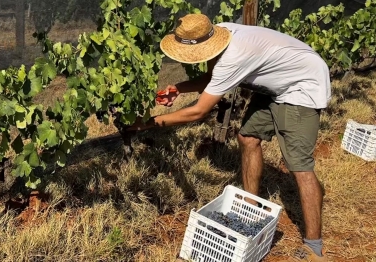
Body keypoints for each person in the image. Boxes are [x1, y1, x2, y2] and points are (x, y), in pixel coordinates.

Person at [126, 13, 332, 261]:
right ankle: (251, 209)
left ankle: (314, 246)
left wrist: (150, 123)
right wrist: (177, 88)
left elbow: (199, 111)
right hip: (276, 84)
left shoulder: (234, 56)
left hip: (302, 86)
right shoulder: (216, 34)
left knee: (299, 165)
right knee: (247, 137)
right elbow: (211, 79)